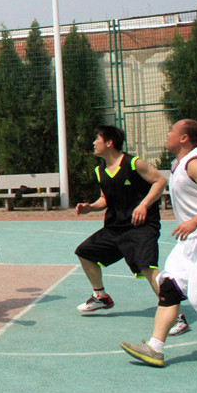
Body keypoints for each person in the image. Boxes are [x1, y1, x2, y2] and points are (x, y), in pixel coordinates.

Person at [121, 119, 197, 367]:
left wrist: (194, 222)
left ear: (184, 138)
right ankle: (155, 348)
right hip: (192, 240)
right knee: (169, 287)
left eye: (172, 130)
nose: (168, 133)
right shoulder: (178, 164)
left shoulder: (196, 163)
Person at [75, 125, 169, 314]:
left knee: (148, 267)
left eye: (97, 138)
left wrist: (144, 205)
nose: (94, 142)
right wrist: (90, 207)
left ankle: (174, 313)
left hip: (141, 226)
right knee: (84, 253)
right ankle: (100, 296)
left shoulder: (134, 163)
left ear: (109, 142)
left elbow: (160, 181)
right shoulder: (100, 170)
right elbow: (105, 199)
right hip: (116, 228)